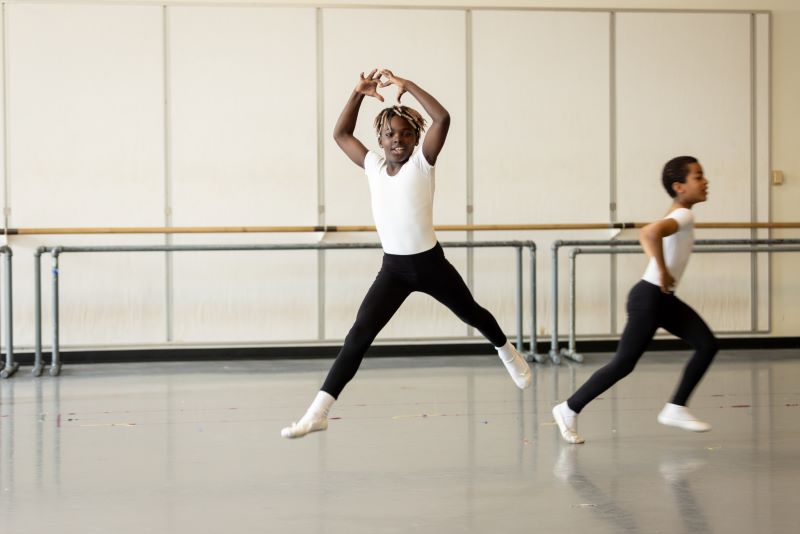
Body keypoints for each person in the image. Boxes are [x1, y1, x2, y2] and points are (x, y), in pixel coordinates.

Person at [281, 69, 531, 439]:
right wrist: (358, 93)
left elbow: (442, 118)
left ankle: (507, 352)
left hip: (431, 265)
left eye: (406, 133)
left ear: (416, 138)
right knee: (358, 337)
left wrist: (407, 86)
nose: (397, 140)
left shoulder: (422, 164)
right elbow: (341, 134)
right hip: (394, 271)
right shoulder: (373, 166)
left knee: (473, 313)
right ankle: (318, 412)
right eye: (389, 134)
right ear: (380, 140)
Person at [552, 156, 718, 444]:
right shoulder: (683, 215)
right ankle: (568, 408)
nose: (705, 182)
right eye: (698, 176)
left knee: (707, 344)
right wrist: (663, 270)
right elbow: (648, 232)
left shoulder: (680, 214)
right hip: (650, 298)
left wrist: (663, 273)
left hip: (660, 298)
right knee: (623, 363)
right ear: (679, 186)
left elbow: (650, 235)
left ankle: (676, 407)